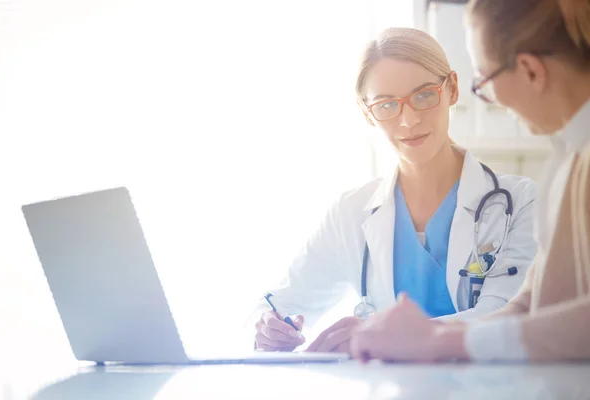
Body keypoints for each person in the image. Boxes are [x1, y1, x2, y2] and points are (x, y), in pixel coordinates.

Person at [252, 28, 537, 353]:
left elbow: (507, 317)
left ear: (452, 89)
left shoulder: (520, 202)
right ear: (367, 113)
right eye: (387, 105)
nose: (408, 120)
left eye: (425, 95)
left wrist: (382, 334)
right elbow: (280, 304)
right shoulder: (350, 212)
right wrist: (268, 326)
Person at [349, 0, 590, 363]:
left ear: (530, 71)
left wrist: (440, 343)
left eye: (484, 82)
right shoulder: (571, 157)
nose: (408, 120)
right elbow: (530, 303)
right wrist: (418, 336)